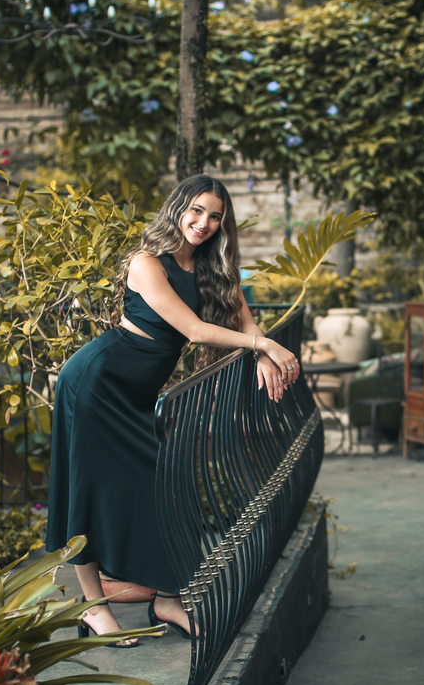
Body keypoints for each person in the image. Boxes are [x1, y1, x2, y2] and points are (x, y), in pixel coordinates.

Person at [46, 174, 301, 646]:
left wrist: (263, 350)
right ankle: (94, 608)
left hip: (136, 396)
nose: (203, 223)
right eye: (197, 210)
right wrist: (262, 344)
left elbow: (244, 320)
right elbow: (196, 330)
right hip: (96, 385)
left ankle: (166, 600)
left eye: (215, 217)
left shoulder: (211, 269)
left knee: (161, 489)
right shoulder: (147, 263)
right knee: (87, 493)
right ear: (178, 207)